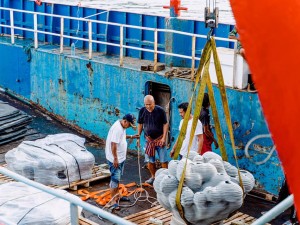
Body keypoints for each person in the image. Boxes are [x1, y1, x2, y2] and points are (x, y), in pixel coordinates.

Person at [105, 114, 139, 209]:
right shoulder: (118, 129)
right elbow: (113, 144)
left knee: (118, 178)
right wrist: (115, 158)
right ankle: (112, 201)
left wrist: (132, 136)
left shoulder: (122, 127)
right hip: (115, 159)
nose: (129, 127)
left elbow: (122, 137)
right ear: (125, 121)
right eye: (129, 125)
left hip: (121, 158)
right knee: (115, 179)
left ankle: (118, 196)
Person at [137, 95, 169, 185]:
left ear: (154, 102)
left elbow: (165, 124)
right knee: (150, 161)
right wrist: (138, 136)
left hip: (159, 139)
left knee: (163, 160)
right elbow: (140, 124)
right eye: (146, 104)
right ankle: (153, 177)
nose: (148, 106)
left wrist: (164, 138)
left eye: (150, 104)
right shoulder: (142, 111)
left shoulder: (160, 111)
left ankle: (165, 179)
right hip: (149, 140)